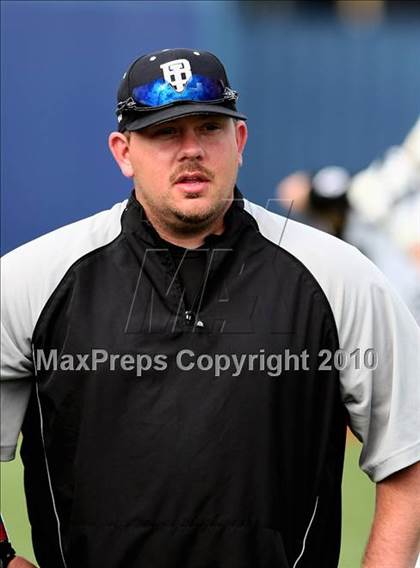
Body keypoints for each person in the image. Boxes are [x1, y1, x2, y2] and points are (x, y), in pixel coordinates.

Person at [1, 48, 419, 568]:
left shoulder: (339, 278)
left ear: (239, 140)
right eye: (164, 133)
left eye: (209, 128)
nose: (190, 150)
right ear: (123, 151)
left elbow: (410, 451)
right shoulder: (30, 281)